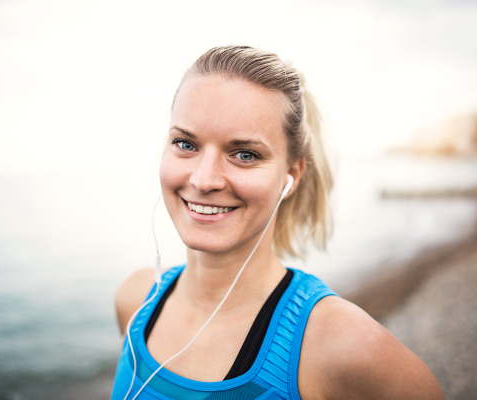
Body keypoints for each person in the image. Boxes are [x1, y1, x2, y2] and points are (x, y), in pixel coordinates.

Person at [111, 46, 444, 400]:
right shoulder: (135, 300)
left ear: (291, 175)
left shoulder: (340, 345)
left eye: (244, 154)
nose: (204, 179)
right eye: (185, 144)